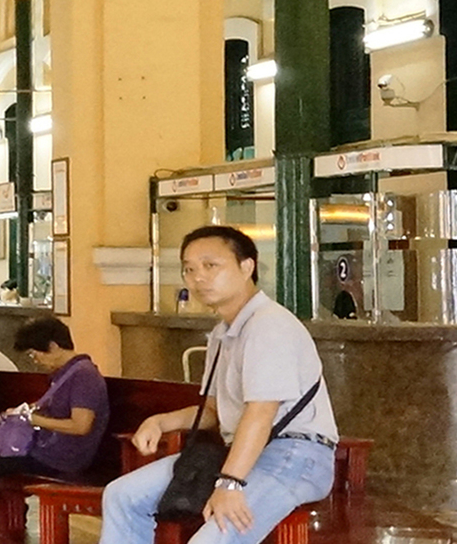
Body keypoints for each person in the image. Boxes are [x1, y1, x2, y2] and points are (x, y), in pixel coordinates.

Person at [100, 225, 339, 544]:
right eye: (189, 269)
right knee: (121, 496)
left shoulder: (269, 325)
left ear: (246, 267)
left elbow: (261, 412)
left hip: (294, 455)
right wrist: (161, 422)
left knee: (211, 539)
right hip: (239, 451)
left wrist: (230, 484)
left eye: (211, 266)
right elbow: (214, 410)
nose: (198, 277)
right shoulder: (223, 333)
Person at [0, 315, 109, 544]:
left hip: (60, 458)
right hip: (43, 450)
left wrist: (32, 419)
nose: (35, 360)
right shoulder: (66, 373)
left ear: (53, 346)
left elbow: (81, 425)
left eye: (35, 353)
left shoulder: (84, 376)